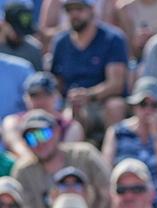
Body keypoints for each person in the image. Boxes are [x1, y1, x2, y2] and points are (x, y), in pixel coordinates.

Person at [101, 77, 157, 208]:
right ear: (134, 106)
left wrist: (156, 133)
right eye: (143, 104)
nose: (148, 110)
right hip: (127, 198)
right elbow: (106, 173)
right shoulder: (117, 132)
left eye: (154, 105)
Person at [11, 110, 111, 208]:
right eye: (31, 138)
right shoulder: (23, 171)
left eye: (43, 134)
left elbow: (111, 194)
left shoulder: (85, 155)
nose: (39, 142)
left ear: (57, 131)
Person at [50, 0, 130, 137]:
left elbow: (116, 84)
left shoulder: (112, 38)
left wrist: (88, 95)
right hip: (71, 104)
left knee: (115, 106)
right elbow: (56, 81)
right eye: (70, 10)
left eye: (79, 9)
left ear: (92, 9)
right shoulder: (60, 42)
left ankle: (114, 153)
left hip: (102, 103)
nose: (74, 14)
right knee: (64, 116)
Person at [3, 72, 85, 163]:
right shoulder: (13, 122)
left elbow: (64, 156)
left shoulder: (70, 127)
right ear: (25, 98)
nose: (40, 100)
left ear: (56, 96)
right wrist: (34, 163)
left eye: (46, 94)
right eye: (34, 95)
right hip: (23, 171)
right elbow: (15, 146)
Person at [0, 1, 44, 71]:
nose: (21, 35)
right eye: (17, 31)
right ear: (4, 24)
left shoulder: (33, 50)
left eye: (24, 32)